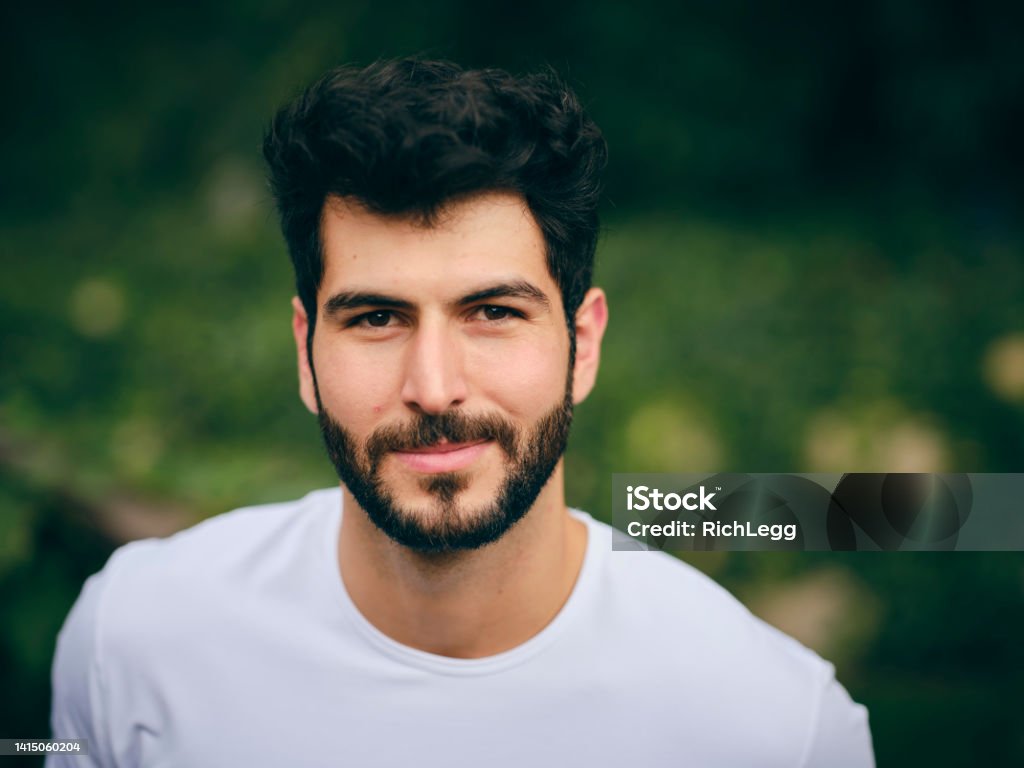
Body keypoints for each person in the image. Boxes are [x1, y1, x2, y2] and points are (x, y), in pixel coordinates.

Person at [48, 58, 874, 767]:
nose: (434, 387)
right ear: (305, 353)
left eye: (493, 313)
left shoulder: (778, 728)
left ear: (582, 347)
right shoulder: (132, 639)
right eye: (375, 318)